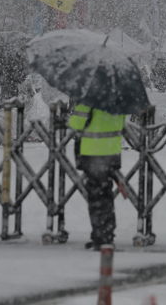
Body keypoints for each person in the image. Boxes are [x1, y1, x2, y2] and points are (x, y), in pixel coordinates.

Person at [68, 104, 126, 250]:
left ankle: (100, 236)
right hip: (112, 151)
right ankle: (107, 233)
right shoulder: (119, 97)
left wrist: (69, 118)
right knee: (106, 194)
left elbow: (76, 124)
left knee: (96, 196)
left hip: (93, 152)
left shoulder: (89, 98)